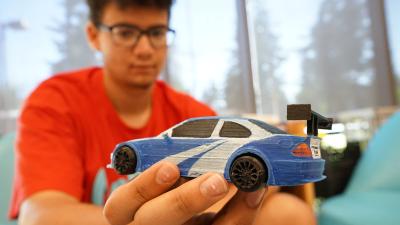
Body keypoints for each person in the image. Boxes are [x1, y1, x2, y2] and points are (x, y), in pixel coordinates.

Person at [9, 0, 316, 224]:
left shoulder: (192, 113)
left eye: (156, 33)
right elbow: (41, 215)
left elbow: (244, 189)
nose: (144, 49)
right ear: (94, 35)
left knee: (290, 213)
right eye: (125, 32)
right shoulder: (55, 101)